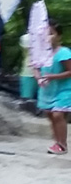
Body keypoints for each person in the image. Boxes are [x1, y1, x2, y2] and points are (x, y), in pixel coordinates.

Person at [37, 22, 71, 154]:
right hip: (47, 90)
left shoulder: (64, 52)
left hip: (64, 89)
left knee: (58, 115)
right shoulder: (41, 53)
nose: (47, 37)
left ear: (59, 36)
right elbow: (36, 68)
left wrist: (53, 76)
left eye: (51, 33)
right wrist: (38, 77)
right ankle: (57, 142)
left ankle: (62, 145)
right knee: (51, 116)